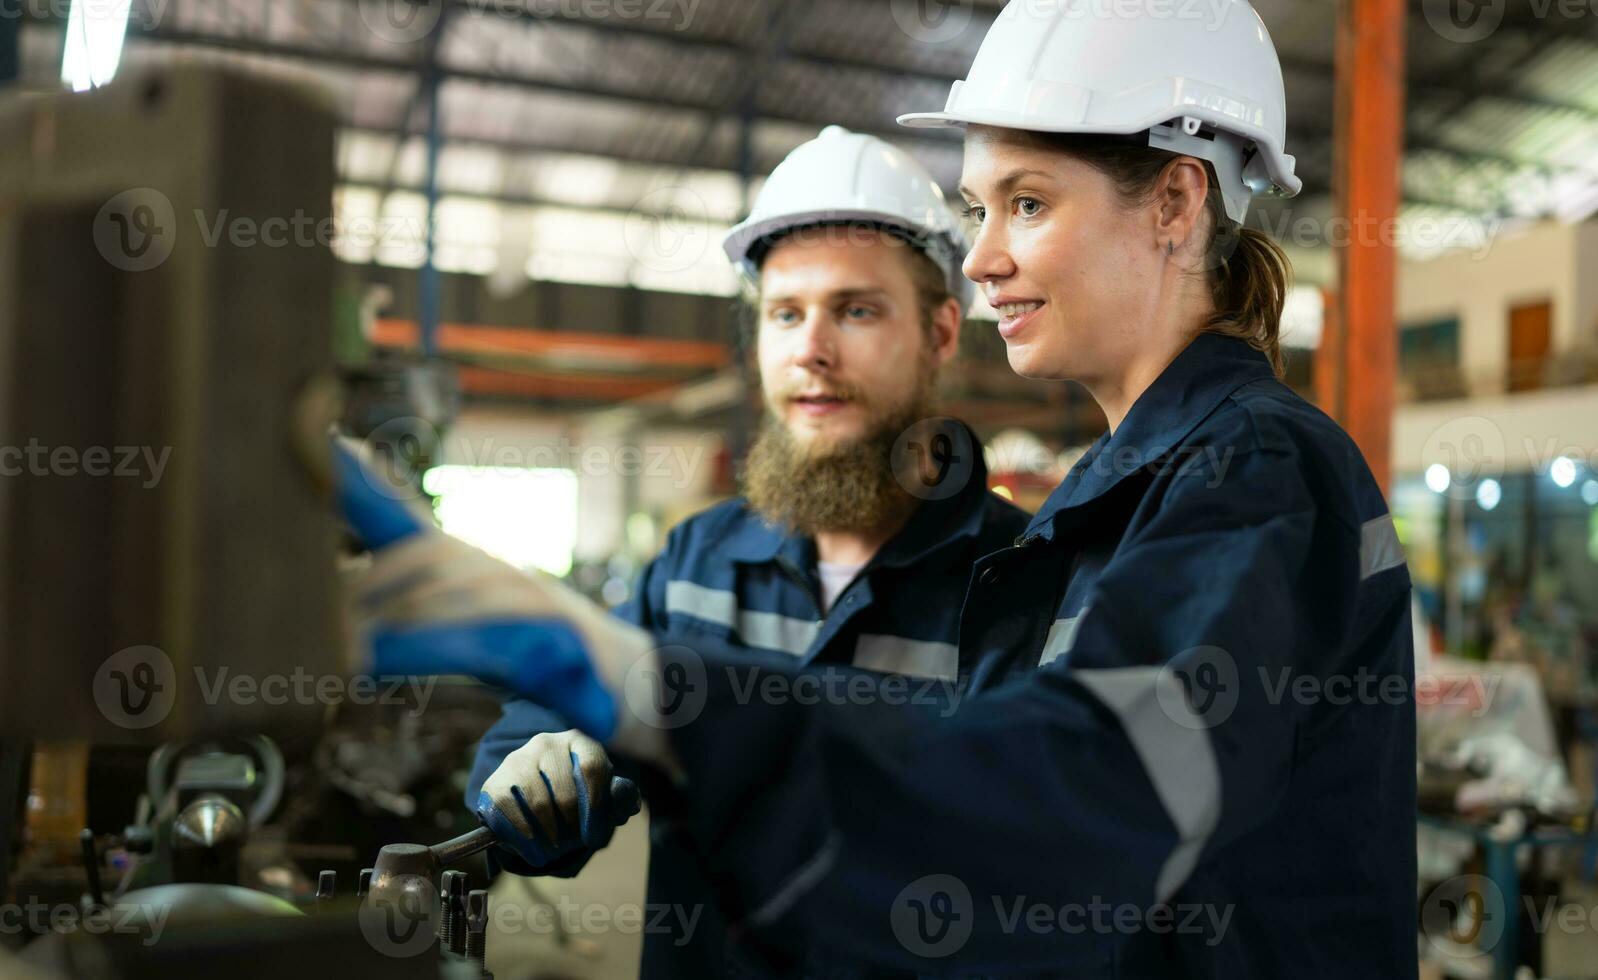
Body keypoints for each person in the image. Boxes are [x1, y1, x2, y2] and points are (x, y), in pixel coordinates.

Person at [347, 3, 1418, 976]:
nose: (986, 256)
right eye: (976, 208)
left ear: (1176, 201)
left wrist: (648, 690)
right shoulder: (1106, 502)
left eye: (1027, 203)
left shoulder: (1253, 469)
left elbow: (1080, 800)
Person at [458, 126, 1030, 975]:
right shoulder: (697, 562)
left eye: (857, 309)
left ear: (942, 332)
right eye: (785, 314)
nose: (812, 349)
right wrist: (534, 780)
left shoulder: (1022, 582)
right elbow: (548, 732)